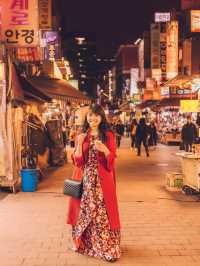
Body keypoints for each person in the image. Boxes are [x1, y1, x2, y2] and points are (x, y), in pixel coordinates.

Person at [67, 104, 121, 262]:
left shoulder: (108, 135)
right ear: (87, 118)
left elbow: (111, 162)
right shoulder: (81, 135)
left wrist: (105, 149)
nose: (93, 118)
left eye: (96, 115)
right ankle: (86, 244)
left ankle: (106, 248)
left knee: (102, 214)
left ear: (101, 117)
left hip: (103, 182)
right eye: (90, 115)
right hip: (86, 182)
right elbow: (77, 162)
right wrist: (78, 145)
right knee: (86, 213)